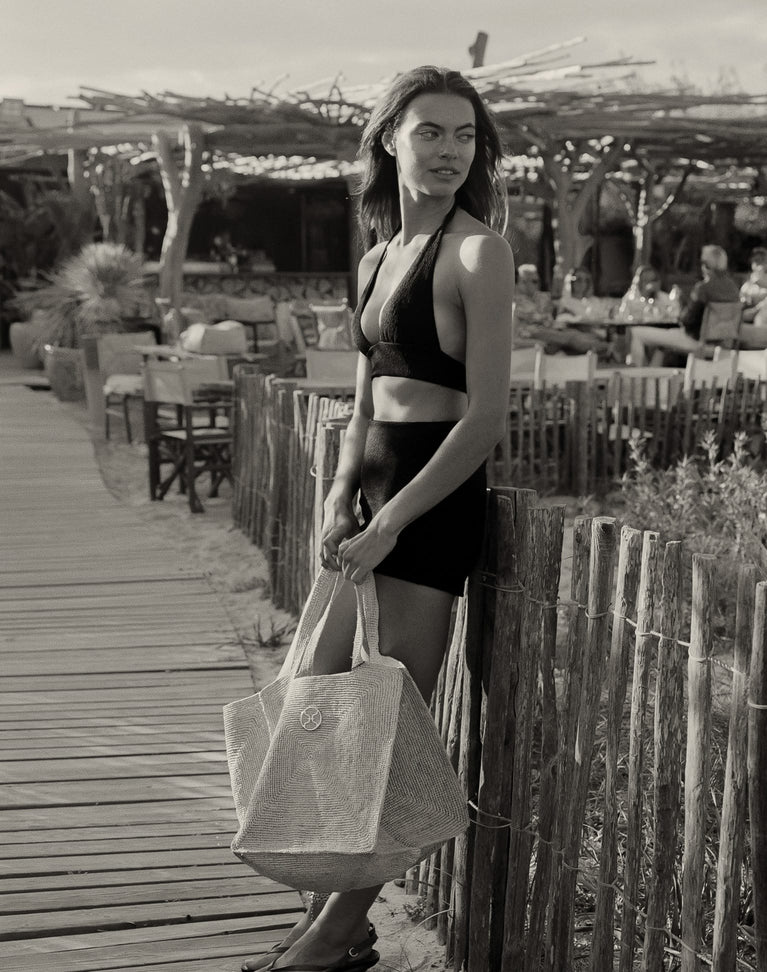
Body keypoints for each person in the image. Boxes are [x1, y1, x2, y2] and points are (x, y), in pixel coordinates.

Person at [240, 66, 513, 972]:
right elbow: (361, 405)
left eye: (464, 135)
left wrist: (391, 519)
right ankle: (338, 917)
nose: (448, 150)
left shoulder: (478, 254)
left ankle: (333, 936)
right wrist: (336, 495)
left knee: (387, 730)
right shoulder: (375, 257)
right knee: (323, 707)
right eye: (430, 131)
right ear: (389, 139)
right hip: (369, 498)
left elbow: (483, 418)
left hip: (429, 505)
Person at [628, 244, 740, 367]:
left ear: (707, 266)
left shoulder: (703, 288)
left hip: (697, 341)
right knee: (662, 345)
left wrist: (682, 307)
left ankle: (636, 376)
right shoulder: (733, 288)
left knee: (636, 332)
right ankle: (651, 374)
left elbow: (687, 321)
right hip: (725, 344)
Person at [514, 264, 606, 355]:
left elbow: (549, 316)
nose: (537, 284)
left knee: (575, 334)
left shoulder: (541, 297)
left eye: (538, 281)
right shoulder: (515, 301)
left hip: (549, 329)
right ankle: (607, 347)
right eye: (534, 281)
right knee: (571, 337)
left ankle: (603, 347)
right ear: (522, 281)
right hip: (531, 332)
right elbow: (522, 325)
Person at [615, 264, 679, 323]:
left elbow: (675, 314)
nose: (650, 284)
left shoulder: (664, 298)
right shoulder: (630, 298)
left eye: (653, 280)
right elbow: (622, 317)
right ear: (639, 282)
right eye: (646, 280)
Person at [739, 246, 767, 321]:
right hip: (747, 309)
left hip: (760, 311)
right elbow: (743, 296)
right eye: (756, 261)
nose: (759, 264)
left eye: (762, 260)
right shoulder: (750, 278)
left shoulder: (762, 278)